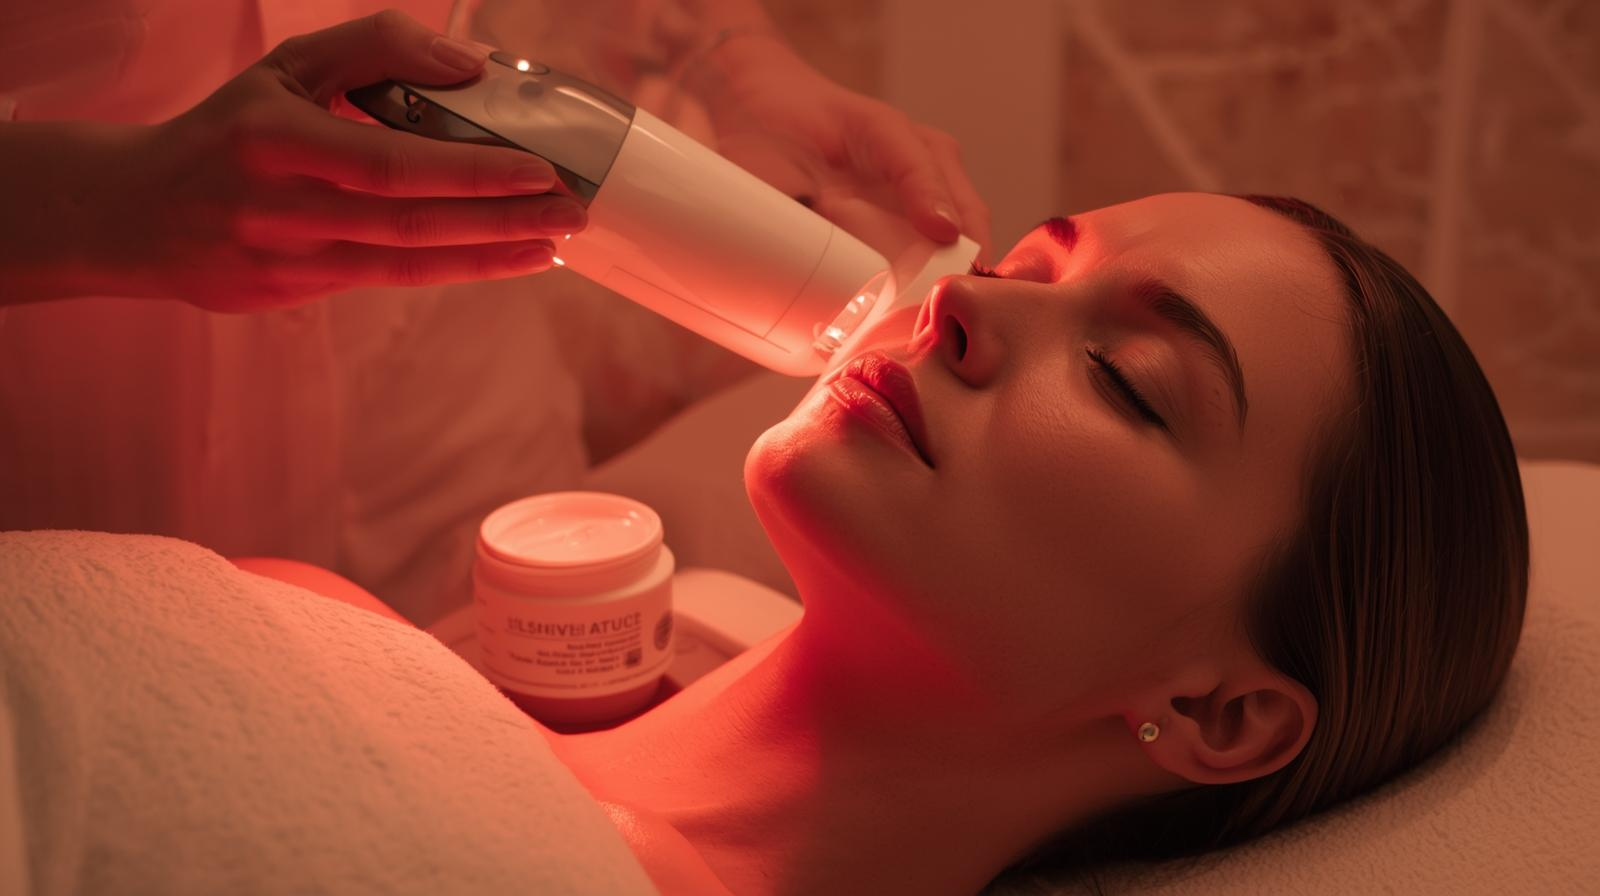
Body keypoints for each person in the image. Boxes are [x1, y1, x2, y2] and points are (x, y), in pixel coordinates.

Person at [0, 3, 991, 622]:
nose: (959, 312)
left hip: (453, 466)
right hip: (73, 525)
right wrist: (109, 206)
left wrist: (723, 53)